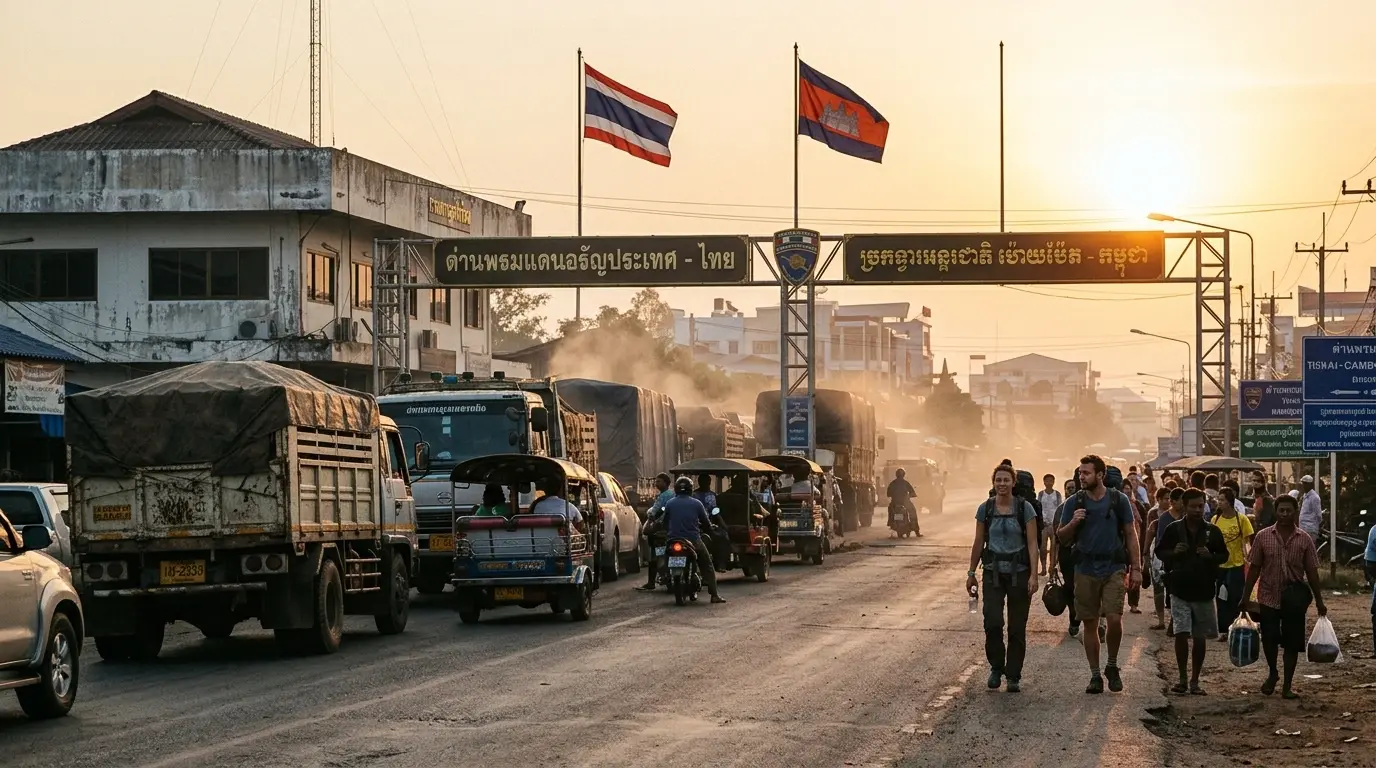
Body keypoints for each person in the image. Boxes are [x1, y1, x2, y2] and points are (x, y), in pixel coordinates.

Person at [1058, 454, 1142, 694]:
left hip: (1114, 567)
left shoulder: (1119, 500)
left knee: (1114, 619)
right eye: (1080, 472)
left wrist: (1136, 568)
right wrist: (1073, 523)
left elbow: (1130, 533)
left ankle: (1112, 665)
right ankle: (1095, 674)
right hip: (1085, 568)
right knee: (1090, 623)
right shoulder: (1074, 502)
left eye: (1086, 473)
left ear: (1100, 475)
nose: (1081, 476)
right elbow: (1062, 537)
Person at [1242, 494, 1328, 699]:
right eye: (1281, 510)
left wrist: (1319, 600)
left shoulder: (1304, 539)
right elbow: (1254, 568)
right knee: (1269, 639)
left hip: (1294, 599)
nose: (1285, 514)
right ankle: (1273, 673)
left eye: (1289, 511)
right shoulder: (1263, 536)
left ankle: (1287, 686)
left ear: (1295, 513)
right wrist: (1245, 596)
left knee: (1292, 642)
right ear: (1276, 512)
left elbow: (1312, 572)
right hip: (1268, 596)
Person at [967, 464, 1040, 693]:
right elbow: (978, 542)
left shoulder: (1024, 508)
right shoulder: (985, 509)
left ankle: (1014, 675)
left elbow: (1032, 544)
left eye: (1006, 480)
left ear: (1013, 483)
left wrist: (1034, 576)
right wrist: (971, 573)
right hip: (992, 573)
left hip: (1019, 574)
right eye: (998, 480)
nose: (1002, 484)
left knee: (1017, 627)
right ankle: (996, 668)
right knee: (993, 622)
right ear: (993, 482)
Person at [1156, 488, 1229, 695]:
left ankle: (1195, 681)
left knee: (1199, 637)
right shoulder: (1174, 529)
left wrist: (1210, 556)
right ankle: (1182, 679)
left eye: (1201, 505)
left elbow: (1224, 555)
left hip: (1204, 591)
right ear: (1184, 507)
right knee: (1181, 634)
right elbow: (1159, 551)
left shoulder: (1212, 531)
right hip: (1179, 590)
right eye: (1194, 506)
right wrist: (1173, 553)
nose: (1198, 510)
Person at [660, 476, 726, 604]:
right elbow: (706, 523)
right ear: (690, 490)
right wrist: (711, 529)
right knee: (707, 565)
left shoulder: (670, 503)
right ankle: (714, 595)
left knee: (664, 556)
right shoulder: (697, 504)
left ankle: (665, 575)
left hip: (673, 540)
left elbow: (664, 523)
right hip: (693, 540)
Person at [1212, 488, 1255, 642]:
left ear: (1230, 502)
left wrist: (1249, 558)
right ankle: (1223, 630)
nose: (1219, 502)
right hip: (1220, 566)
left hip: (1236, 565)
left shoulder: (1241, 520)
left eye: (1222, 499)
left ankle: (1236, 626)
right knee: (1220, 599)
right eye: (1219, 499)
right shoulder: (1215, 520)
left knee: (1235, 597)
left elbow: (1247, 541)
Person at [1049, 478, 1081, 637]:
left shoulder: (1087, 507)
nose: (1070, 490)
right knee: (1070, 587)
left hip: (1085, 554)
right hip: (1066, 554)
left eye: (1073, 488)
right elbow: (1056, 538)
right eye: (1068, 488)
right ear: (1064, 490)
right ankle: (1074, 617)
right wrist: (1052, 562)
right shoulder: (1061, 510)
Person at [1142, 486, 1176, 631]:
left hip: (1173, 555)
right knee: (1158, 589)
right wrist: (1145, 558)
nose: (1168, 501)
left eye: (1170, 498)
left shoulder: (1178, 515)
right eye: (1166, 498)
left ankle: (1173, 621)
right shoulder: (1154, 514)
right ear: (1159, 500)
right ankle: (1161, 620)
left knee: (1173, 590)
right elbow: (1150, 534)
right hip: (1157, 554)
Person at [637, 473, 676, 592]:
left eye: (659, 481)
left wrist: (650, 520)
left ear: (666, 483)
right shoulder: (672, 495)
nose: (656, 483)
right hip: (672, 531)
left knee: (657, 555)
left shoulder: (664, 496)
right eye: (656, 481)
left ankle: (652, 582)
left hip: (661, 531)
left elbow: (654, 512)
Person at [1037, 474, 1063, 576]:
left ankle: (1051, 568)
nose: (1049, 483)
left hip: (1054, 525)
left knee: (1053, 548)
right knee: (1042, 548)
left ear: (1054, 482)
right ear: (1044, 482)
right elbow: (1038, 508)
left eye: (1051, 481)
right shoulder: (1041, 494)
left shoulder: (1057, 494)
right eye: (1047, 481)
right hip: (1043, 525)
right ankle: (1043, 568)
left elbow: (1059, 509)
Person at [887, 468, 920, 537]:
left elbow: (888, 494)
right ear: (904, 475)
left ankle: (892, 523)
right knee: (913, 513)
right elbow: (912, 493)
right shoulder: (906, 483)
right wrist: (910, 496)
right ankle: (916, 531)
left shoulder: (892, 483)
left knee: (891, 510)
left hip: (895, 503)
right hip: (905, 503)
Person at [1298, 474, 1323, 539]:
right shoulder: (1304, 496)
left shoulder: (1314, 497)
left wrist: (1314, 525)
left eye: (1305, 484)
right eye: (1303, 483)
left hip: (1310, 529)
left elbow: (1318, 515)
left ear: (1310, 485)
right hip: (1303, 528)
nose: (1303, 486)